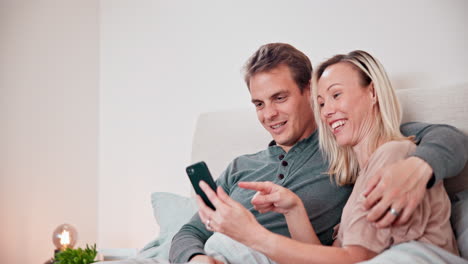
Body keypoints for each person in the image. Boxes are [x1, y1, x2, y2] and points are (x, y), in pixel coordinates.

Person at [169, 43, 468, 263]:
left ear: (307, 93)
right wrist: (196, 260)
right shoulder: (240, 168)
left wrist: (420, 166)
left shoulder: (346, 147)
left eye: (279, 98)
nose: (269, 114)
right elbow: (189, 232)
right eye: (259, 104)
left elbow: (446, 138)